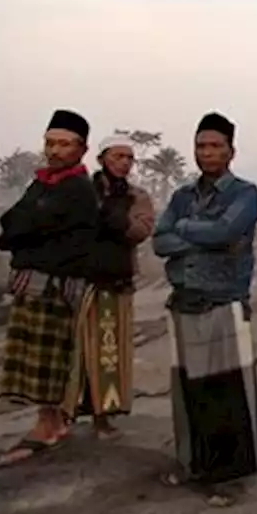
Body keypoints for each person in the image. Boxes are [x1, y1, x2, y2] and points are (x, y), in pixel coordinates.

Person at [152, 112, 257, 500]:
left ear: (231, 151)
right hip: (184, 302)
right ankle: (194, 464)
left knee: (226, 390)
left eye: (216, 145)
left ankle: (229, 478)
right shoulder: (182, 196)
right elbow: (159, 241)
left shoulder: (245, 193)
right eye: (201, 146)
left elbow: (227, 230)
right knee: (189, 392)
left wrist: (185, 230)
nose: (207, 152)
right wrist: (202, 236)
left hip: (222, 300)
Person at [0, 109, 99, 467]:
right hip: (36, 284)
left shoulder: (79, 189)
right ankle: (52, 421)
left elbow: (54, 239)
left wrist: (30, 234)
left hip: (56, 288)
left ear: (81, 149)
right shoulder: (42, 183)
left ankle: (46, 427)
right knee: (35, 359)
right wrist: (33, 230)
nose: (54, 150)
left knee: (48, 361)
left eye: (63, 144)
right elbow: (10, 227)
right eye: (50, 143)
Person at [62, 133, 155, 440]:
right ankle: (65, 416)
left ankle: (103, 419)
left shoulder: (137, 196)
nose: (125, 163)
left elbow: (141, 230)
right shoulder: (83, 191)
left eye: (129, 158)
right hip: (81, 283)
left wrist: (112, 220)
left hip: (116, 284)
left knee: (109, 354)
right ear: (102, 158)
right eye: (118, 156)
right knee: (75, 352)